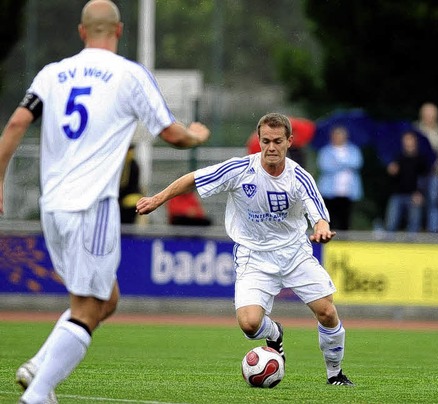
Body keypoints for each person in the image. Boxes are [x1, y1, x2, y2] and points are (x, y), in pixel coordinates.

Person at [0, 1, 211, 403]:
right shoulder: (129, 75)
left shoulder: (51, 74)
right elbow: (170, 133)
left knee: (105, 298)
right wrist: (197, 136)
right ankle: (38, 395)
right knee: (88, 305)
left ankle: (38, 366)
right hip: (92, 205)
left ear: (82, 32)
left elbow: (16, 123)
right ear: (119, 30)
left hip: (53, 208)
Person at [136, 112, 355, 386]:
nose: (271, 147)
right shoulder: (240, 170)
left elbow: (318, 214)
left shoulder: (300, 178)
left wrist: (321, 228)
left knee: (327, 311)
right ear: (259, 141)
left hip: (294, 254)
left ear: (289, 141)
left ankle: (335, 374)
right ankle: (274, 333)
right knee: (250, 325)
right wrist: (157, 199)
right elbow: (193, 178)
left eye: (277, 141)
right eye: (266, 141)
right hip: (254, 256)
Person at [316, 125, 364, 230]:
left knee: (345, 219)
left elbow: (357, 164)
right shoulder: (326, 151)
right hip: (330, 191)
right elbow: (325, 166)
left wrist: (337, 163)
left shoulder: (353, 150)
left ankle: (344, 243)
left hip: (347, 191)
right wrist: (346, 164)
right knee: (329, 218)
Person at [415, 102, 438, 233]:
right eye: (427, 114)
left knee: (434, 200)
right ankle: (415, 229)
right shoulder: (416, 128)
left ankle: (433, 230)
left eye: (432, 114)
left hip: (436, 172)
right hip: (418, 172)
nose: (429, 117)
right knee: (417, 200)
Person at [384, 130, 428, 233]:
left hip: (414, 195)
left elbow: (424, 178)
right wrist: (392, 171)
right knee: (391, 224)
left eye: (410, 140)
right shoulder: (397, 157)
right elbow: (392, 179)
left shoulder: (421, 159)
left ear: (415, 141)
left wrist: (420, 192)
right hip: (397, 194)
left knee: (414, 227)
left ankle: (413, 248)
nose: (408, 142)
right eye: (406, 140)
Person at [118, 145, 142, 224]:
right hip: (134, 199)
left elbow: (124, 183)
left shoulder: (126, 164)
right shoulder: (133, 163)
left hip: (127, 200)